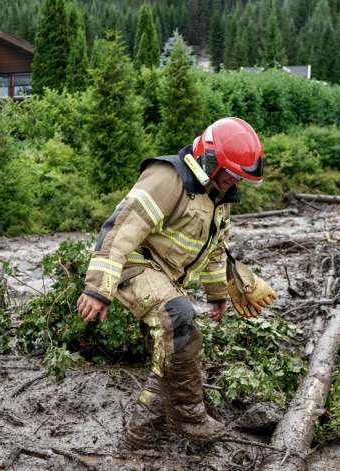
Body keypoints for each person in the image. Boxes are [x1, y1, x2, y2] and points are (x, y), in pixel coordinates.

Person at [76, 117, 278, 449]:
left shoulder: (218, 197)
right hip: (134, 264)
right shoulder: (167, 179)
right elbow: (119, 230)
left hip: (165, 277)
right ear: (210, 159)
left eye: (239, 177)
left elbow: (215, 248)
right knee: (178, 317)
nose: (232, 182)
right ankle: (188, 419)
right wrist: (99, 289)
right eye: (230, 173)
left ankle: (142, 436)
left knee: (176, 344)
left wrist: (218, 293)